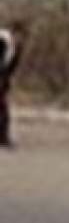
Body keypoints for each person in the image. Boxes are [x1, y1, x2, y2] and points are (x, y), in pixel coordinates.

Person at [0, 19, 27, 148]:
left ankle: (3, 137)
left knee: (3, 108)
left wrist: (5, 83)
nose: (20, 39)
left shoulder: (17, 48)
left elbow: (10, 68)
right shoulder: (2, 40)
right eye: (19, 36)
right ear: (14, 33)